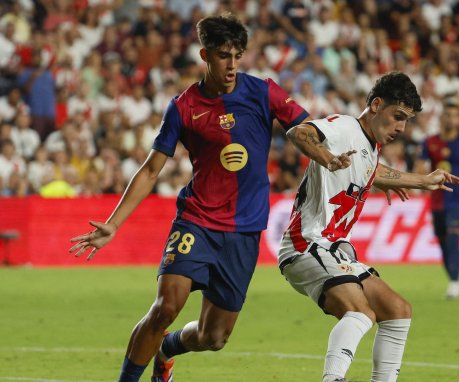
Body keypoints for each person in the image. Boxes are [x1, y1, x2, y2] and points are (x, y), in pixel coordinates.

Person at [68, 15, 310, 382]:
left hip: (244, 230)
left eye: (237, 55)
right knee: (166, 307)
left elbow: (309, 130)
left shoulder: (263, 92)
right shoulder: (183, 106)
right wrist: (113, 224)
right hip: (196, 221)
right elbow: (151, 170)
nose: (231, 64)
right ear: (205, 55)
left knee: (215, 337)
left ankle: (167, 349)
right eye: (223, 55)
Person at [278, 72, 459, 382]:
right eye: (397, 116)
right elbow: (299, 134)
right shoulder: (345, 128)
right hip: (307, 244)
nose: (401, 128)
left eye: (407, 120)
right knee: (361, 313)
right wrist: (328, 159)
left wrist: (422, 181)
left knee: (397, 310)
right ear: (376, 105)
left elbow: (373, 171)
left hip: (335, 249)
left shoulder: (368, 146)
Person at [418, 101, 459, 299]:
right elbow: (421, 166)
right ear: (442, 118)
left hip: (458, 198)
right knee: (443, 241)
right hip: (436, 199)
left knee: (453, 237)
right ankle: (453, 280)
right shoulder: (430, 142)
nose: (450, 119)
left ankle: (454, 283)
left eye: (454, 115)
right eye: (447, 115)